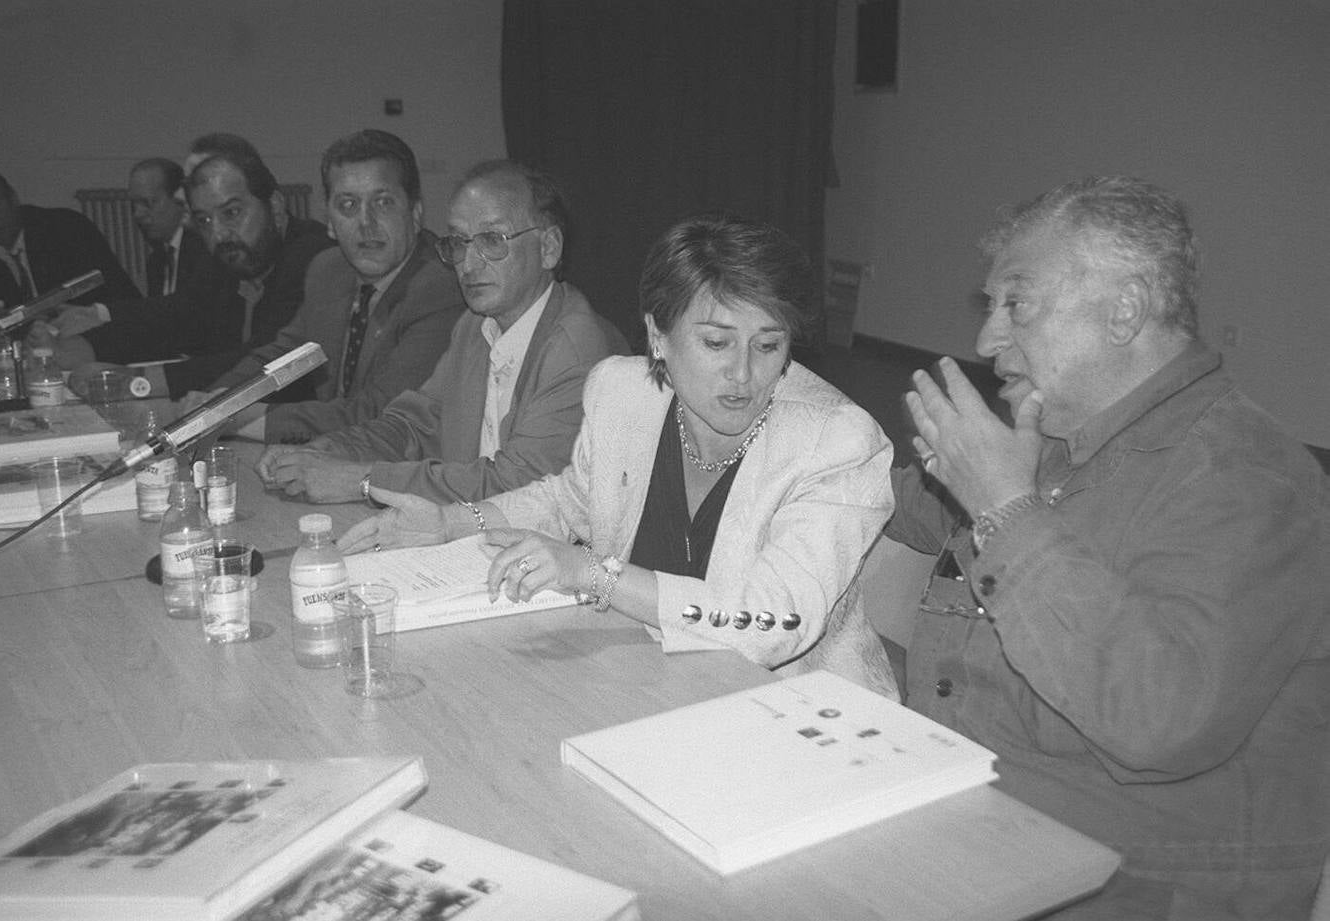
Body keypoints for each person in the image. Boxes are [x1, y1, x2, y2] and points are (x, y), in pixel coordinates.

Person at [892, 176, 1327, 919]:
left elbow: (1156, 716)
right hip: (972, 824)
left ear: (1124, 309)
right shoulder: (1066, 441)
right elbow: (906, 503)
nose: (985, 339)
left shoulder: (1247, 478)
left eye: (1016, 303)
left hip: (1138, 885)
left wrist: (1003, 506)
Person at [336, 213, 898, 693]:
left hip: (799, 721)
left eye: (769, 344)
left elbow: (773, 623)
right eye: (716, 342)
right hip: (643, 681)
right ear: (658, 336)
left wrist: (592, 573)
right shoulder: (622, 392)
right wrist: (451, 522)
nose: (744, 373)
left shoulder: (837, 440)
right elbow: (570, 501)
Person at [256, 159, 626, 503]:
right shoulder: (476, 325)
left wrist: (361, 481)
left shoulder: (577, 350)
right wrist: (325, 451)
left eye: (492, 240)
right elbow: (414, 425)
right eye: (458, 243)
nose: (468, 263)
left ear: (548, 248)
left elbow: (518, 487)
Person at [184, 130, 464, 443]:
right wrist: (219, 399)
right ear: (329, 219)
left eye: (383, 203)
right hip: (331, 454)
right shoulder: (329, 270)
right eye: (348, 205)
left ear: (415, 212)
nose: (365, 223)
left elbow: (379, 412)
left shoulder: (441, 285)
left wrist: (236, 419)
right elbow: (283, 356)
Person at [51, 147, 334, 398]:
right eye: (205, 220)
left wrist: (138, 382)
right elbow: (180, 318)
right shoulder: (232, 256)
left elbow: (267, 359)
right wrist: (90, 346)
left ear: (274, 205)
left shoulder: (314, 258)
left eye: (232, 213)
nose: (218, 233)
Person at [0, 168, 140, 308]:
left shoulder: (65, 227)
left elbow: (108, 296)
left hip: (100, 327)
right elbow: (3, 317)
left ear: (13, 199)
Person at [127, 158, 206, 297]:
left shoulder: (203, 252)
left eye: (147, 202)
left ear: (179, 199)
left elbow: (183, 309)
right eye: (134, 204)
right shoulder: (157, 260)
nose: (137, 214)